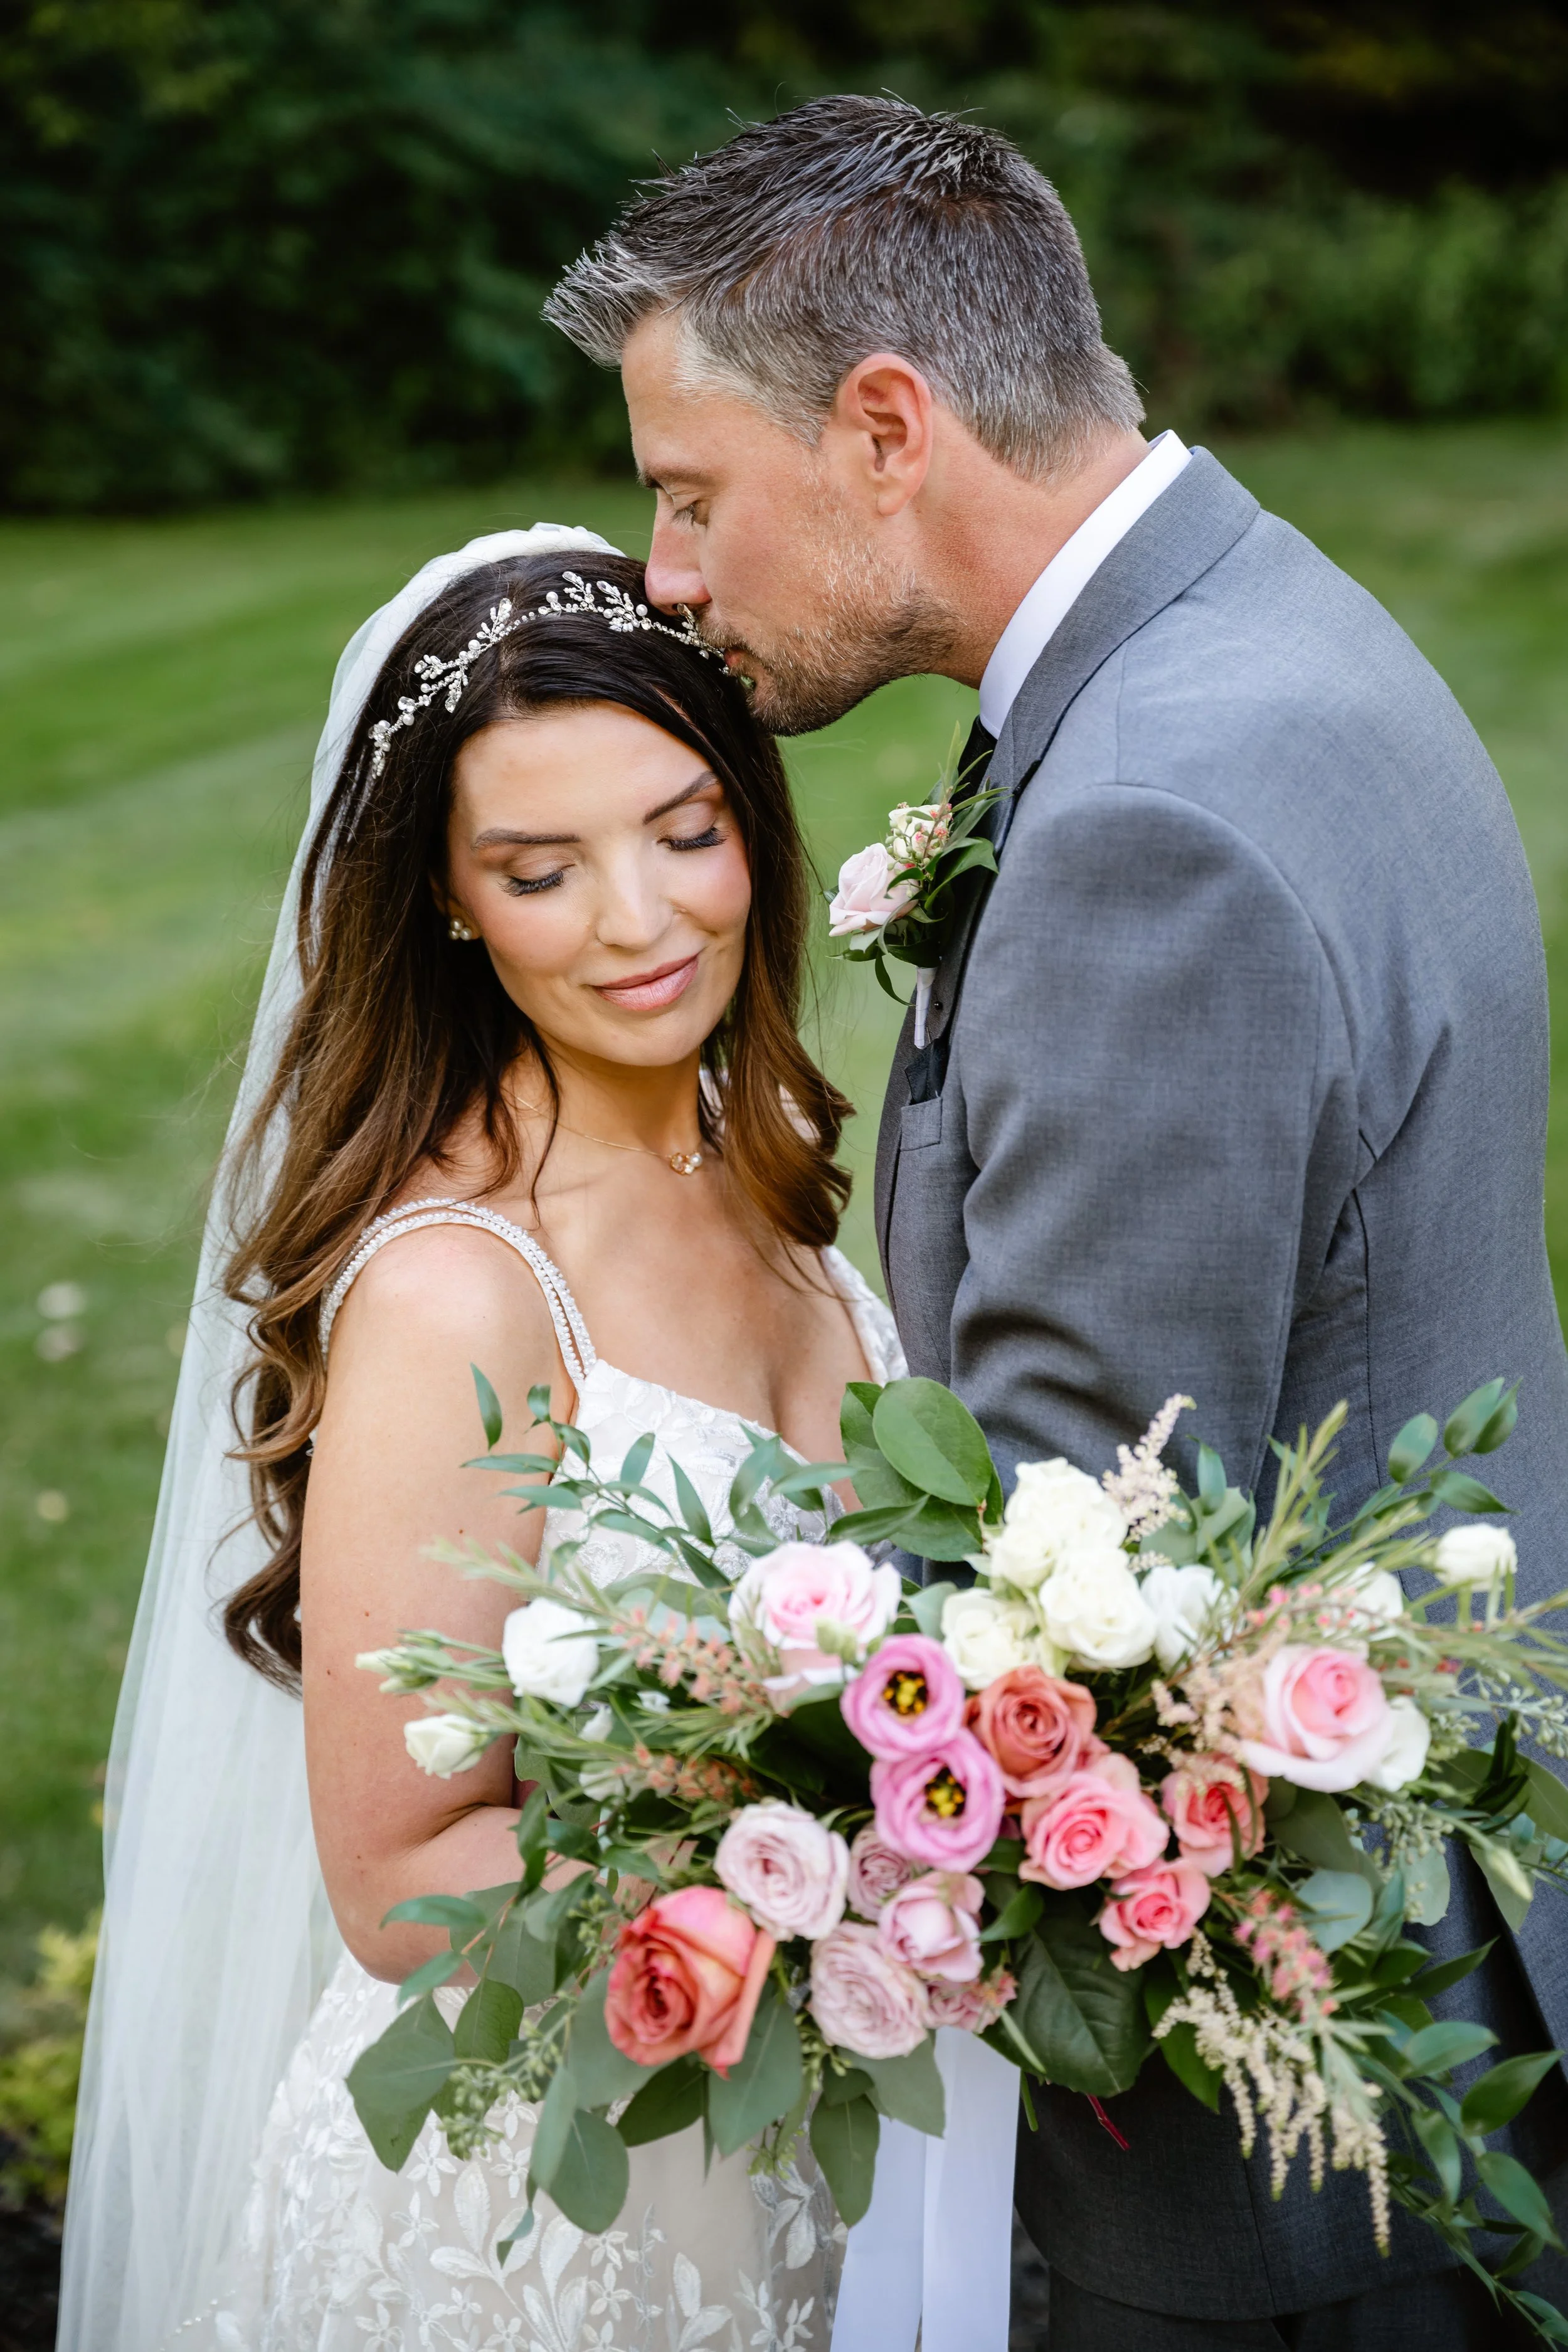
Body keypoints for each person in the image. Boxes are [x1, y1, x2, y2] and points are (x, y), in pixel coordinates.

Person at [545, 93, 1568, 2352]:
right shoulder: (1250, 616)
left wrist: (679, 1747)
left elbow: (1077, 1549)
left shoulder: (1147, 824)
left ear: (887, 428)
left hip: (1282, 2107)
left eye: (692, 494)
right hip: (1456, 1909)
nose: (671, 577)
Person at [59, 526, 903, 2349]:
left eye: (685, 829)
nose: (640, 918)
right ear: (446, 898)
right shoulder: (463, 1289)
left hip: (806, 2145)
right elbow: (396, 1877)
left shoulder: (766, 1158)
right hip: (529, 2213)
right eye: (539, 869)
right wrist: (848, 1875)